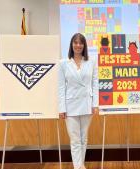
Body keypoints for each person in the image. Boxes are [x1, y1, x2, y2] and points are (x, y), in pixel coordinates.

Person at [58, 33, 99, 169]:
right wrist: (61, 108)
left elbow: (95, 83)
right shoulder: (63, 63)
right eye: (75, 42)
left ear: (84, 45)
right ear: (71, 44)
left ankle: (80, 165)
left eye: (80, 43)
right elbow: (61, 87)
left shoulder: (91, 62)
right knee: (75, 139)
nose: (78, 45)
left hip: (87, 104)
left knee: (84, 138)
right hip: (70, 106)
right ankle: (78, 166)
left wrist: (95, 104)